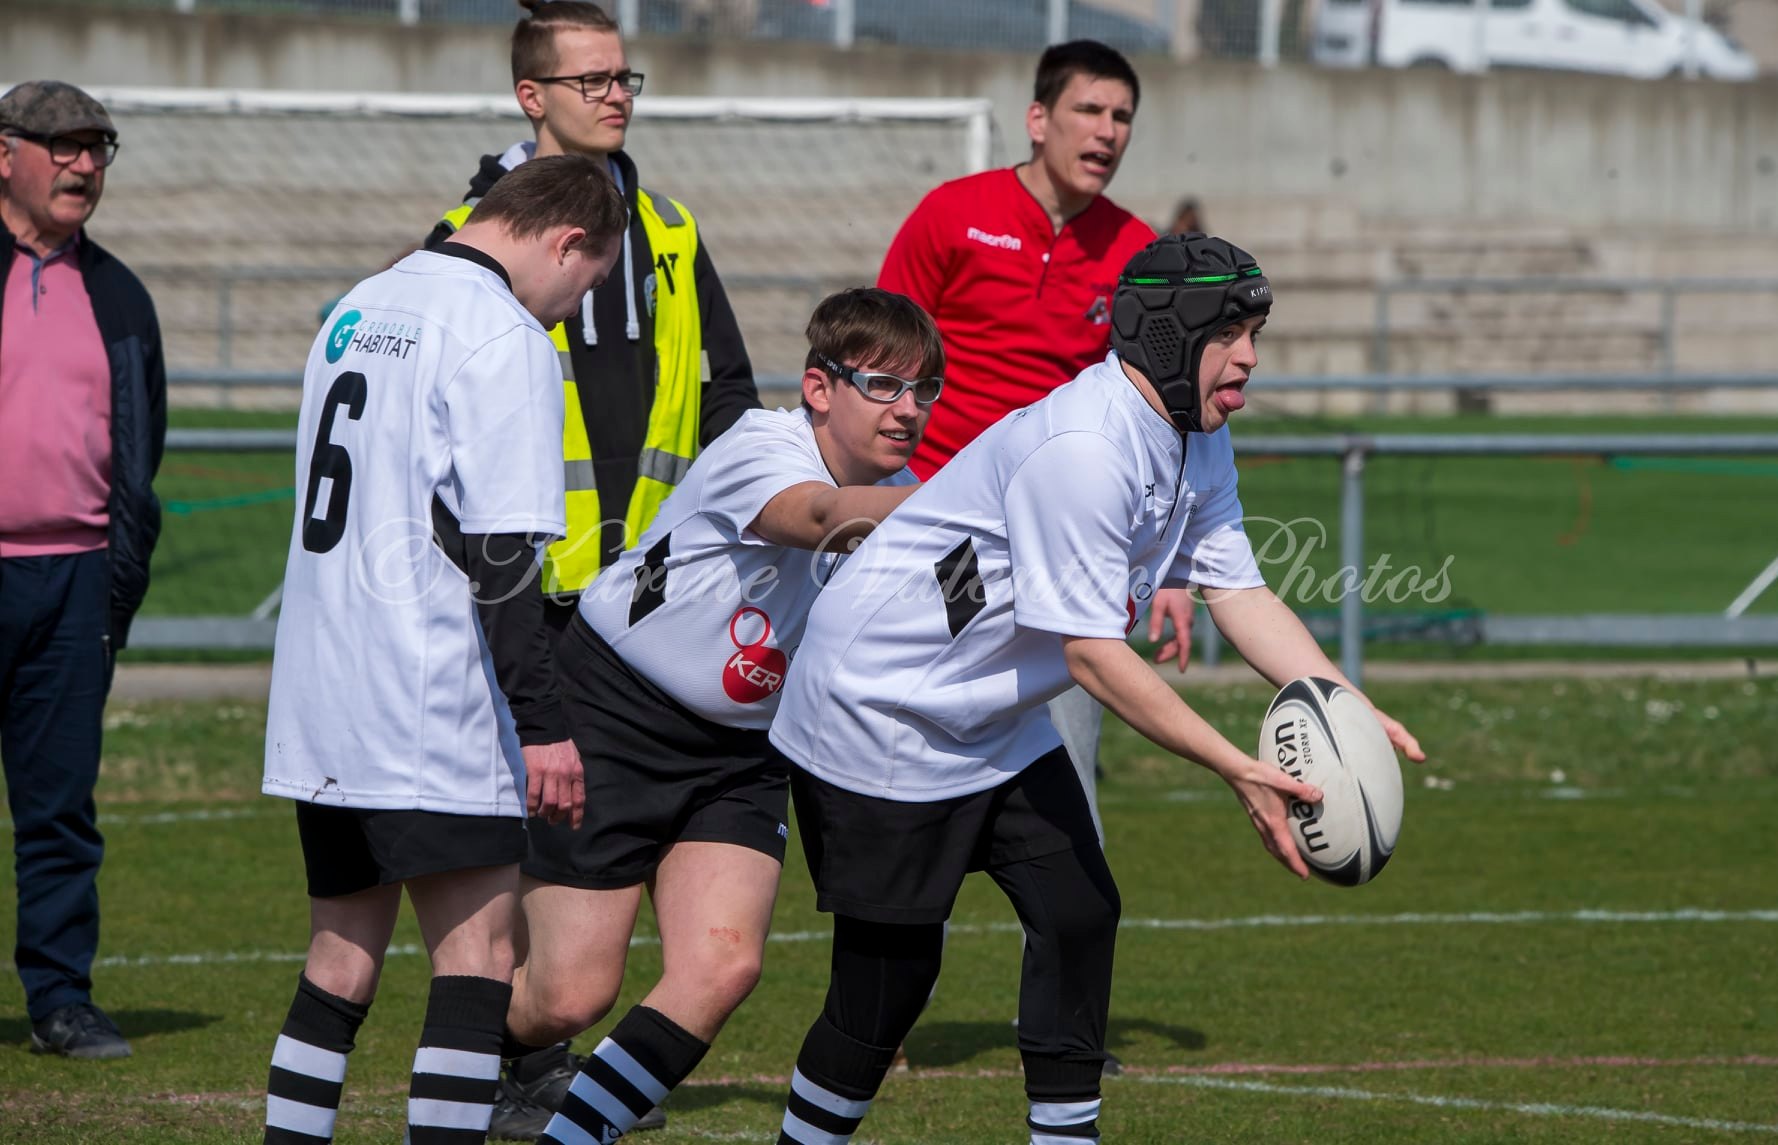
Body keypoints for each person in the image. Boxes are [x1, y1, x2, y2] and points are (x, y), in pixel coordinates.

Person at [769, 233, 1426, 1145]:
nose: (1252, 356)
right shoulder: (1083, 446)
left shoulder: (1197, 435)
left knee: (1080, 909)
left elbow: (1236, 589)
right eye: (1232, 332)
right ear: (1170, 334)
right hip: (877, 707)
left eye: (1257, 331)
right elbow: (1090, 655)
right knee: (886, 986)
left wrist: (1340, 697)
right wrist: (1239, 766)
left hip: (990, 713)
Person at [426, 10, 760, 1127]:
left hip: (657, 612)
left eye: (626, 75)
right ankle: (502, 1056)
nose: (617, 94)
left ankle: (538, 1061)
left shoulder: (665, 226)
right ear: (531, 96)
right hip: (535, 602)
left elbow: (725, 401)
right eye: (592, 78)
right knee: (558, 941)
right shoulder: (465, 236)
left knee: (668, 938)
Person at [502, 288, 937, 1145]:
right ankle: (470, 1049)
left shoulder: (914, 496)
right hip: (613, 711)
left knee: (723, 964)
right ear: (820, 387)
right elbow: (816, 518)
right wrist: (980, 503)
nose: (910, 410)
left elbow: (969, 608)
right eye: (886, 385)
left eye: (925, 392)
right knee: (567, 997)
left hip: (741, 754)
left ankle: (570, 1135)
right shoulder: (762, 447)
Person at [259, 154, 626, 1145]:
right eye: (583, 287)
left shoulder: (361, 302)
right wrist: (543, 726)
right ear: (565, 241)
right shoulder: (499, 332)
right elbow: (501, 557)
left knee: (339, 960)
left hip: (325, 688)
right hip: (427, 694)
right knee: (479, 956)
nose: (566, 311)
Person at [877, 39, 1190, 848]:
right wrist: (885, 500)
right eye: (1090, 110)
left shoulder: (1139, 254)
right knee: (915, 762)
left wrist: (1177, 567)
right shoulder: (953, 213)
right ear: (1038, 119)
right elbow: (879, 356)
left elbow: (1165, 415)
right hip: (941, 525)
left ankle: (1066, 949)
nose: (1108, 131)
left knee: (1067, 783)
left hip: (1064, 542)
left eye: (1123, 117)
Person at [0, 80, 163, 1062]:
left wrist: (115, 581)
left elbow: (141, 454)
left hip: (74, 586)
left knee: (60, 809)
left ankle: (61, 998)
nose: (84, 164)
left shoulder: (121, 293)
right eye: (63, 145)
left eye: (98, 147)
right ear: (5, 152)